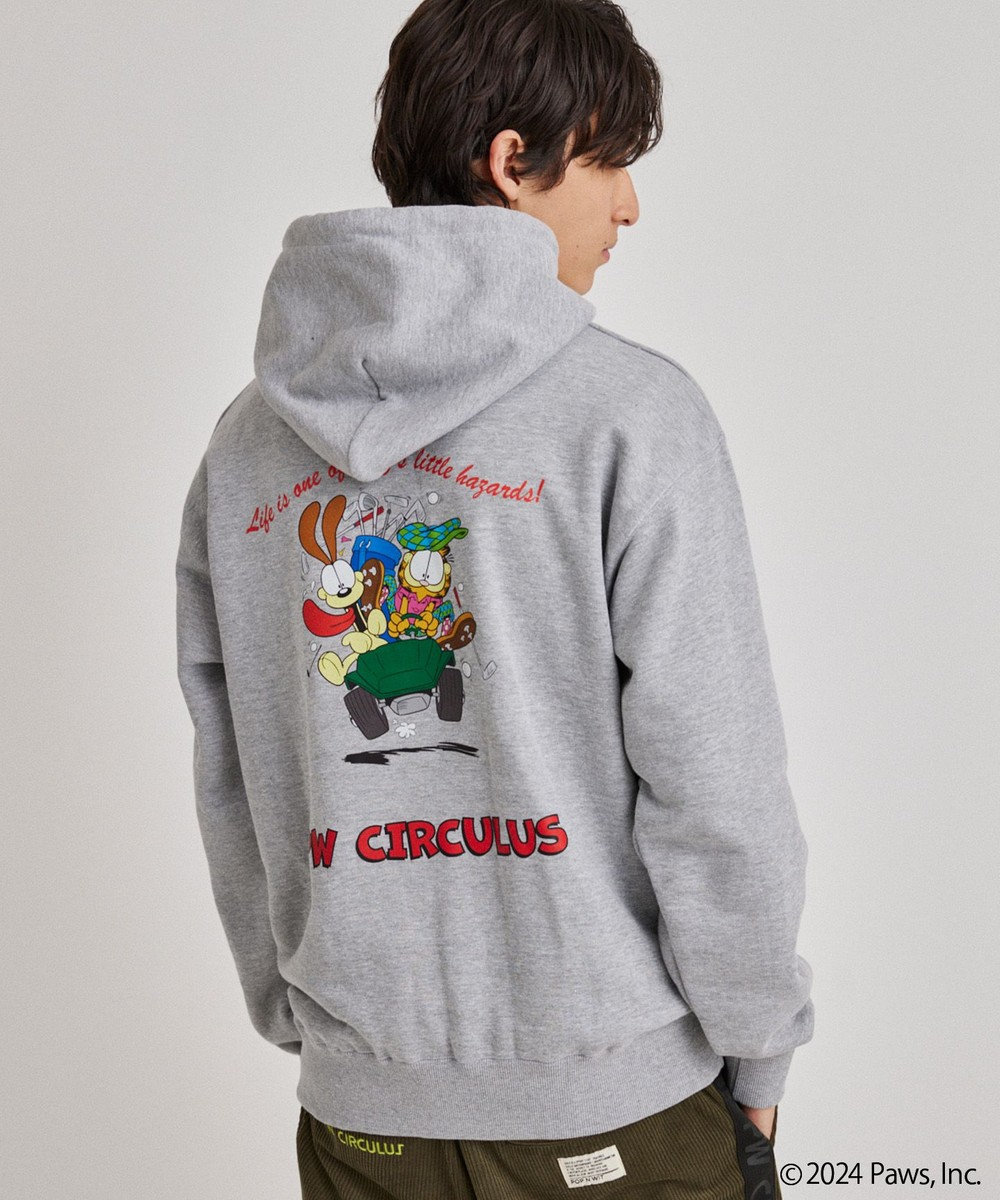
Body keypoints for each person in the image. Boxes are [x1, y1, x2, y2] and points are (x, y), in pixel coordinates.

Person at [174, 1, 814, 1196]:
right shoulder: (630, 415)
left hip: (362, 1117)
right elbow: (711, 774)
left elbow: (233, 776)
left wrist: (321, 1026)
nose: (629, 206)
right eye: (609, 160)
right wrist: (757, 1038)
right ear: (513, 161)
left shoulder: (247, 448)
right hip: (612, 1103)